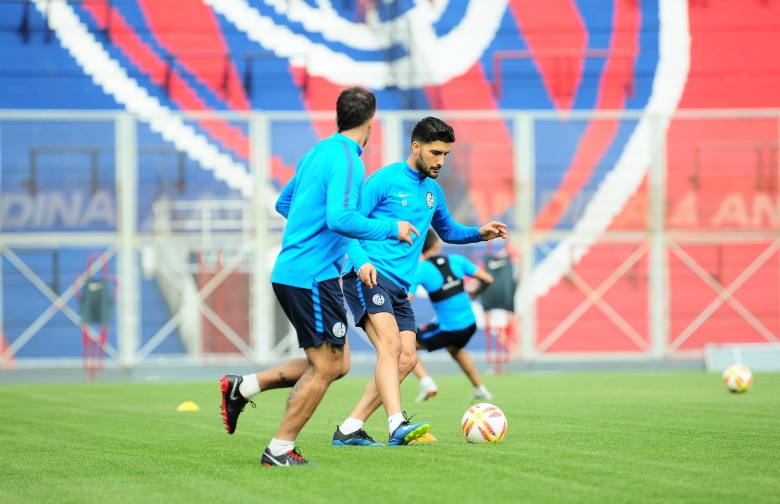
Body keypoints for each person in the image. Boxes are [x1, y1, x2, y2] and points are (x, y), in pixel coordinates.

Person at [219, 87, 419, 467]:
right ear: (370, 121)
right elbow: (340, 218)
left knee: (336, 364)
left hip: (307, 273)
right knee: (327, 366)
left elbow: (284, 203)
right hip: (310, 275)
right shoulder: (348, 160)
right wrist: (393, 228)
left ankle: (243, 387)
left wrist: (311, 232)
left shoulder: (318, 152)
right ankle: (279, 450)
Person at [333, 117, 509, 447]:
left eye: (445, 154)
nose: (440, 161)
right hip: (369, 275)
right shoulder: (384, 181)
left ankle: (349, 428)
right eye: (435, 152)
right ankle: (397, 424)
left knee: (407, 359)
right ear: (416, 148)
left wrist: (478, 233)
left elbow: (449, 231)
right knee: (390, 346)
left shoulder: (433, 192)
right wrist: (361, 262)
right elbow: (348, 224)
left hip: (399, 285)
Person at [409, 229, 495, 403]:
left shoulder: (421, 270)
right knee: (454, 349)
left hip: (450, 329)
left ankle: (427, 383)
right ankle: (480, 389)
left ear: (418, 249)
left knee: (405, 345)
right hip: (470, 325)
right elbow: (488, 279)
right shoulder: (457, 260)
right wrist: (476, 291)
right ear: (437, 244)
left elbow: (407, 300)